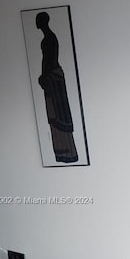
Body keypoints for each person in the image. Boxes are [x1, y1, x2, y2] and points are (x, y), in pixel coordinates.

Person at [36, 11, 78, 163]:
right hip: (51, 78)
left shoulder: (49, 39)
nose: (36, 23)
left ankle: (67, 151)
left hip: (53, 78)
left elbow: (50, 59)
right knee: (53, 115)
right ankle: (61, 152)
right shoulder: (47, 38)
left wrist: (45, 76)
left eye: (38, 20)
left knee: (59, 113)